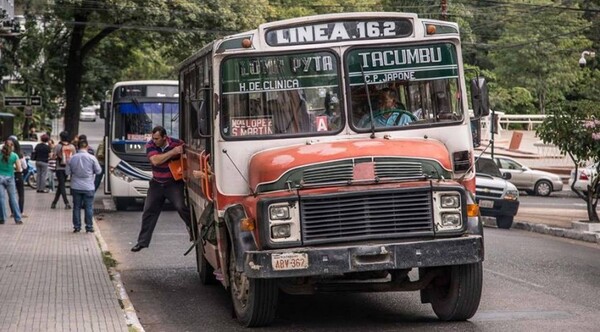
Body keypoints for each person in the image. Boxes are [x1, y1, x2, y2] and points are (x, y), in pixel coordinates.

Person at [131, 126, 192, 252]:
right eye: (153, 138)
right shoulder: (150, 146)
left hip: (173, 183)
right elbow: (156, 161)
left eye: (157, 138)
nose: (154, 141)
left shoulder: (177, 143)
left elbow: (188, 151)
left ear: (165, 137)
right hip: (157, 183)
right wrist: (173, 153)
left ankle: (193, 229)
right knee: (148, 211)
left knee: (181, 207)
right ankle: (142, 242)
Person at [66, 140, 101, 233]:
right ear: (87, 147)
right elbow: (98, 171)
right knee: (89, 207)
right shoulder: (92, 158)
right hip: (89, 186)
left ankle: (77, 227)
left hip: (75, 186)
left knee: (76, 207)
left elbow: (67, 172)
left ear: (77, 147)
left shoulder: (72, 158)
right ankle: (89, 227)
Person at [0, 139, 23, 224]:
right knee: (13, 198)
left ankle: (2, 218)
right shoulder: (14, 156)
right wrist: (12, 168)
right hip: (10, 177)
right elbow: (19, 169)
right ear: (12, 146)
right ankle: (18, 219)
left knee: (1, 199)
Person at [51, 131, 76, 209]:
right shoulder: (72, 146)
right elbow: (74, 157)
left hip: (59, 168)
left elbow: (53, 157)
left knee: (61, 185)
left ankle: (66, 202)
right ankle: (54, 202)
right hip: (67, 168)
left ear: (61, 137)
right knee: (61, 185)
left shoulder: (58, 146)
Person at [8, 136, 26, 217]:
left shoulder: (6, 155)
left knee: (11, 194)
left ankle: (12, 212)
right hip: (18, 175)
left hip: (9, 174)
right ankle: (20, 212)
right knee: (21, 194)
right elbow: (25, 166)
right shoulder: (19, 155)